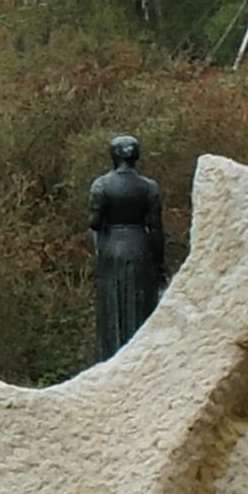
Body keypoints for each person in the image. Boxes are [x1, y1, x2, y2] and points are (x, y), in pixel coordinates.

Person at [87, 135, 166, 362]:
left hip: (111, 249)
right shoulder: (149, 187)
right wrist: (159, 263)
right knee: (142, 307)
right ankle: (139, 360)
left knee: (112, 308)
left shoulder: (101, 185)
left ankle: (111, 359)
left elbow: (94, 222)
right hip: (140, 247)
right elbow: (156, 229)